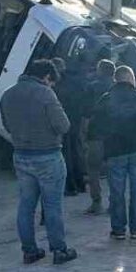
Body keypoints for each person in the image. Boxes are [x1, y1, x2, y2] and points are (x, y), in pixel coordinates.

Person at [0, 59, 78, 265]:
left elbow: (7, 126)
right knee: (52, 205)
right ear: (46, 77)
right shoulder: (45, 93)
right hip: (48, 155)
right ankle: (59, 250)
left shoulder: (8, 94)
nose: (51, 85)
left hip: (21, 155)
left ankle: (29, 251)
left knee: (26, 205)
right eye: (51, 82)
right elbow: (63, 125)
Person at [93, 66, 136, 240]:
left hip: (114, 151)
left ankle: (118, 229)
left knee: (116, 191)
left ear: (116, 79)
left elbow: (95, 127)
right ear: (130, 78)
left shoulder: (105, 100)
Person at [82, 59, 116, 215]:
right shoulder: (117, 88)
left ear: (100, 70)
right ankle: (114, 202)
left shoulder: (92, 87)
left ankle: (96, 202)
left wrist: (84, 132)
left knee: (93, 169)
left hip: (95, 134)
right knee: (114, 171)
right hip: (114, 136)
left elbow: (86, 113)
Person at [55, 58, 88, 196]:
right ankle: (80, 184)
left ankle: (69, 186)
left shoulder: (58, 85)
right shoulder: (77, 81)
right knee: (76, 151)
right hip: (76, 120)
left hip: (65, 121)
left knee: (66, 154)